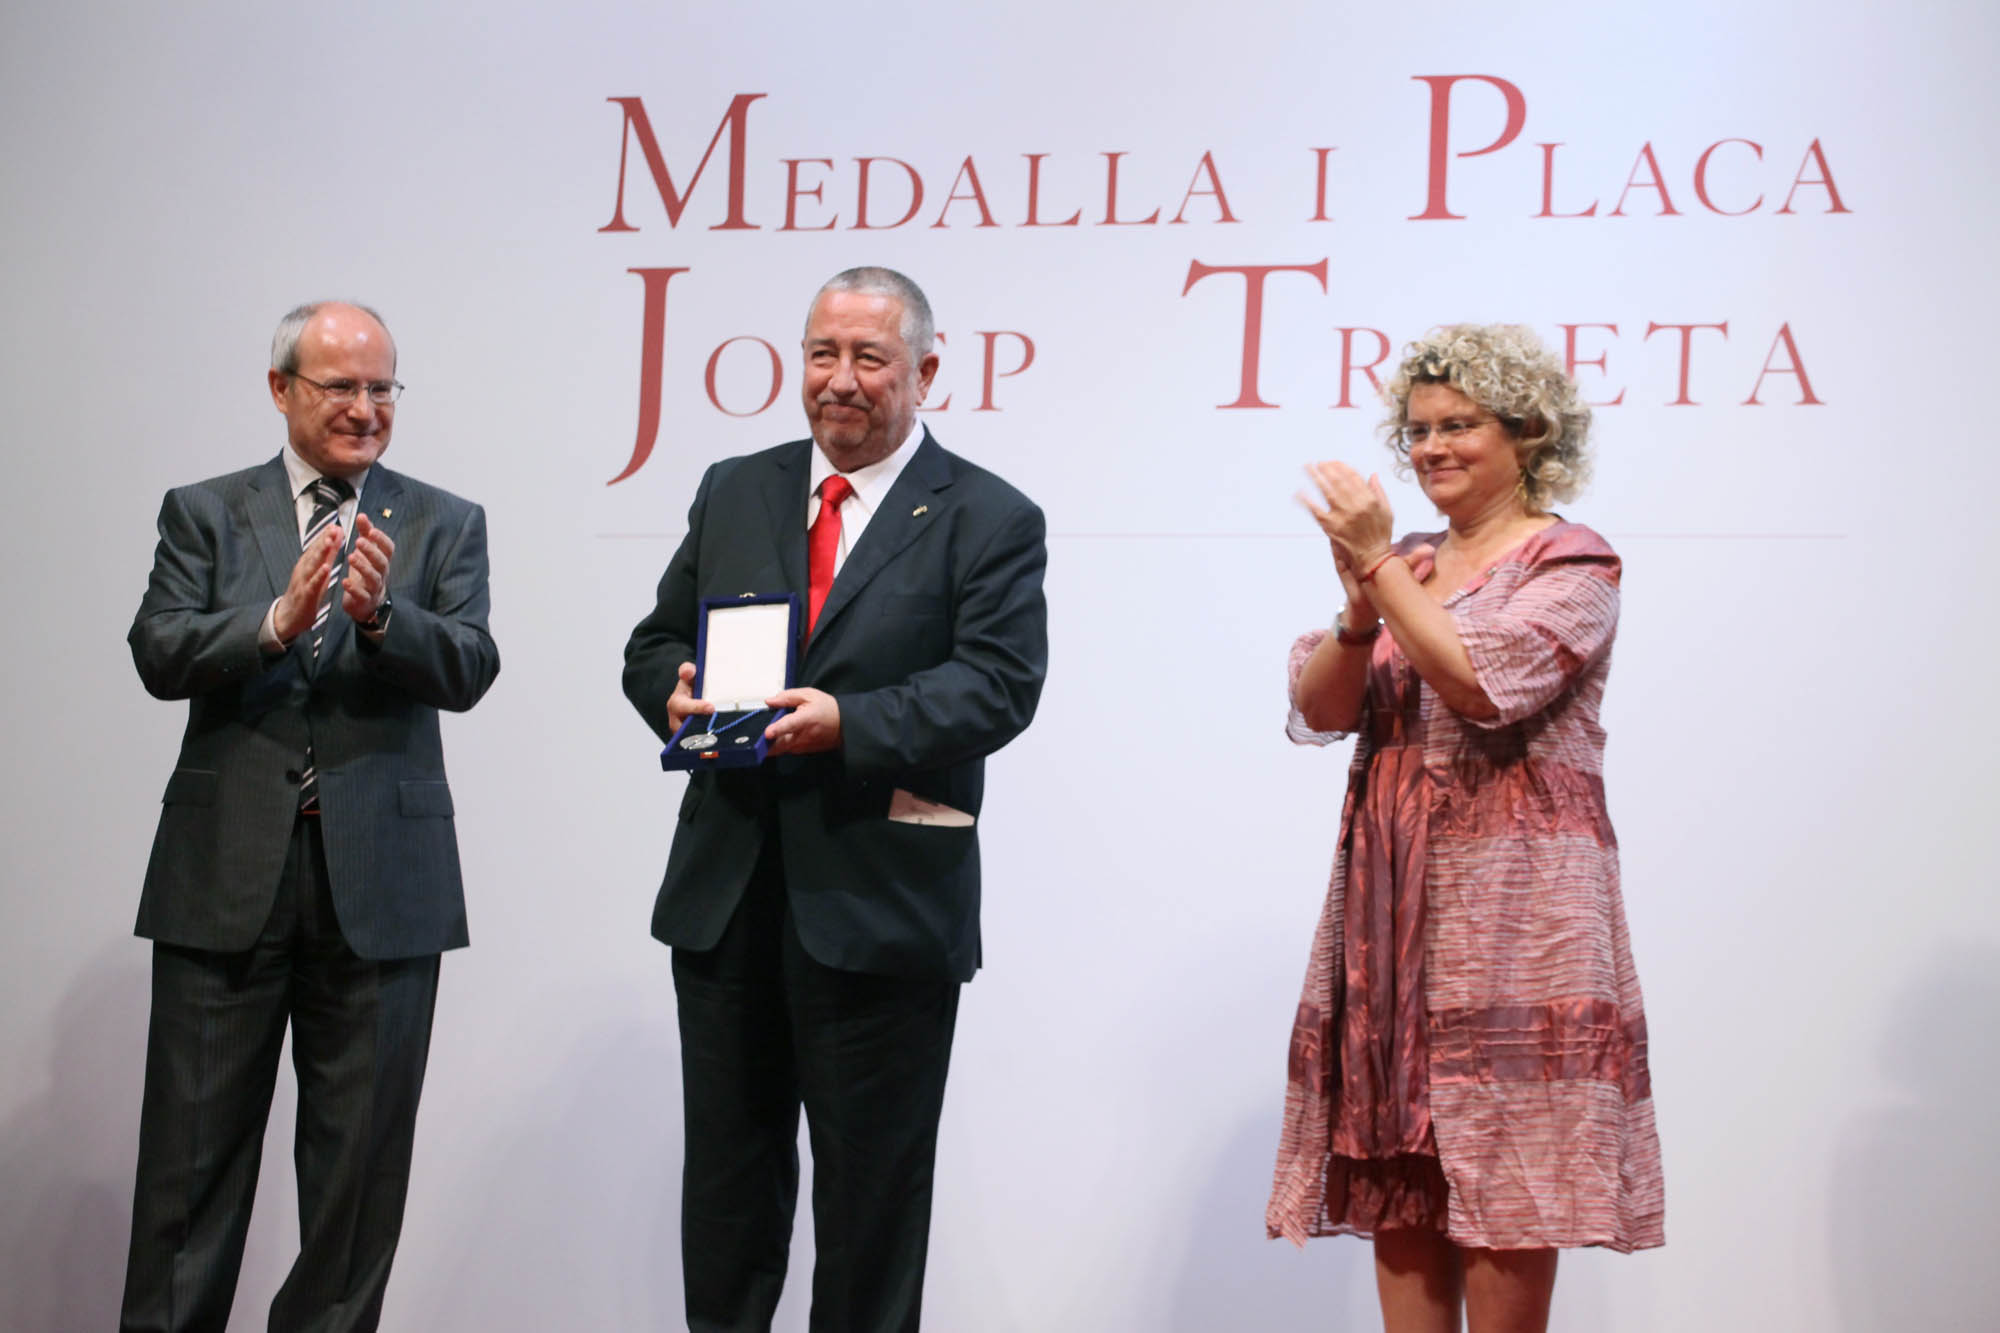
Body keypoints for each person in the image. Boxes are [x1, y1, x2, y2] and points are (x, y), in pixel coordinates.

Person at [624, 265, 1048, 1332]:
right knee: (727, 1196)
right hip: (726, 897)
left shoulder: (988, 515)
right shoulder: (735, 487)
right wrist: (671, 689)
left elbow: (997, 685)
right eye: (822, 353)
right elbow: (656, 641)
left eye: (869, 357)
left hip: (881, 906)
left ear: (926, 372)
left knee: (870, 1215)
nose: (840, 379)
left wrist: (849, 723)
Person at [1268, 325, 1663, 1333]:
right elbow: (1319, 708)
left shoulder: (1572, 560)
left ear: (1528, 434)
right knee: (1396, 1163)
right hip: (1391, 901)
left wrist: (1377, 567)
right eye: (1417, 430)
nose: (1431, 447)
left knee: (1512, 1166)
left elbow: (1483, 684)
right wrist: (1362, 607)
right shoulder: (1406, 563)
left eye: (1458, 425)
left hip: (1516, 910)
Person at [121, 301, 499, 1333]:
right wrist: (272, 622)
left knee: (357, 1184)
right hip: (225, 875)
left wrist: (382, 618)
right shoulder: (206, 511)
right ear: (282, 388)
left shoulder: (444, 521)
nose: (365, 408)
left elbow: (471, 664)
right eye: (341, 386)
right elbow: (159, 647)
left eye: (382, 388)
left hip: (382, 886)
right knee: (188, 1173)